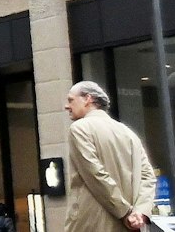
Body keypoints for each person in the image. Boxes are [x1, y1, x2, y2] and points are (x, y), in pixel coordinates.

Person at [62, 81, 157, 232]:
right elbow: (148, 177)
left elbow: (95, 175)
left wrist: (125, 213)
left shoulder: (79, 129)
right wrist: (139, 212)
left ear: (88, 99)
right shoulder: (129, 134)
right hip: (131, 227)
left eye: (70, 100)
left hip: (92, 224)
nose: (67, 106)